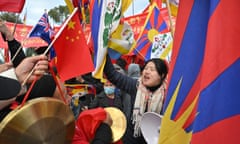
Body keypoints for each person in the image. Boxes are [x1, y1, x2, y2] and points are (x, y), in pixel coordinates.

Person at [104, 54, 168, 144]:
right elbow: (113, 75)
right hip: (132, 139)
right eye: (146, 68)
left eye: (152, 69)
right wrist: (104, 50)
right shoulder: (136, 86)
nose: (147, 72)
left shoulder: (169, 94)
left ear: (162, 75)